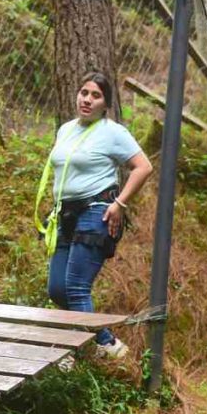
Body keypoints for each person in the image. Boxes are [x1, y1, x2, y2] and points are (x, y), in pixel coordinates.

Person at [44, 72, 153, 359]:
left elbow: (143, 167)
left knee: (77, 287)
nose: (87, 99)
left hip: (96, 213)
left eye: (96, 95)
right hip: (66, 215)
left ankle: (90, 352)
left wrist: (120, 203)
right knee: (57, 289)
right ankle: (106, 342)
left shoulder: (113, 132)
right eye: (84, 92)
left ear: (106, 104)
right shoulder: (66, 129)